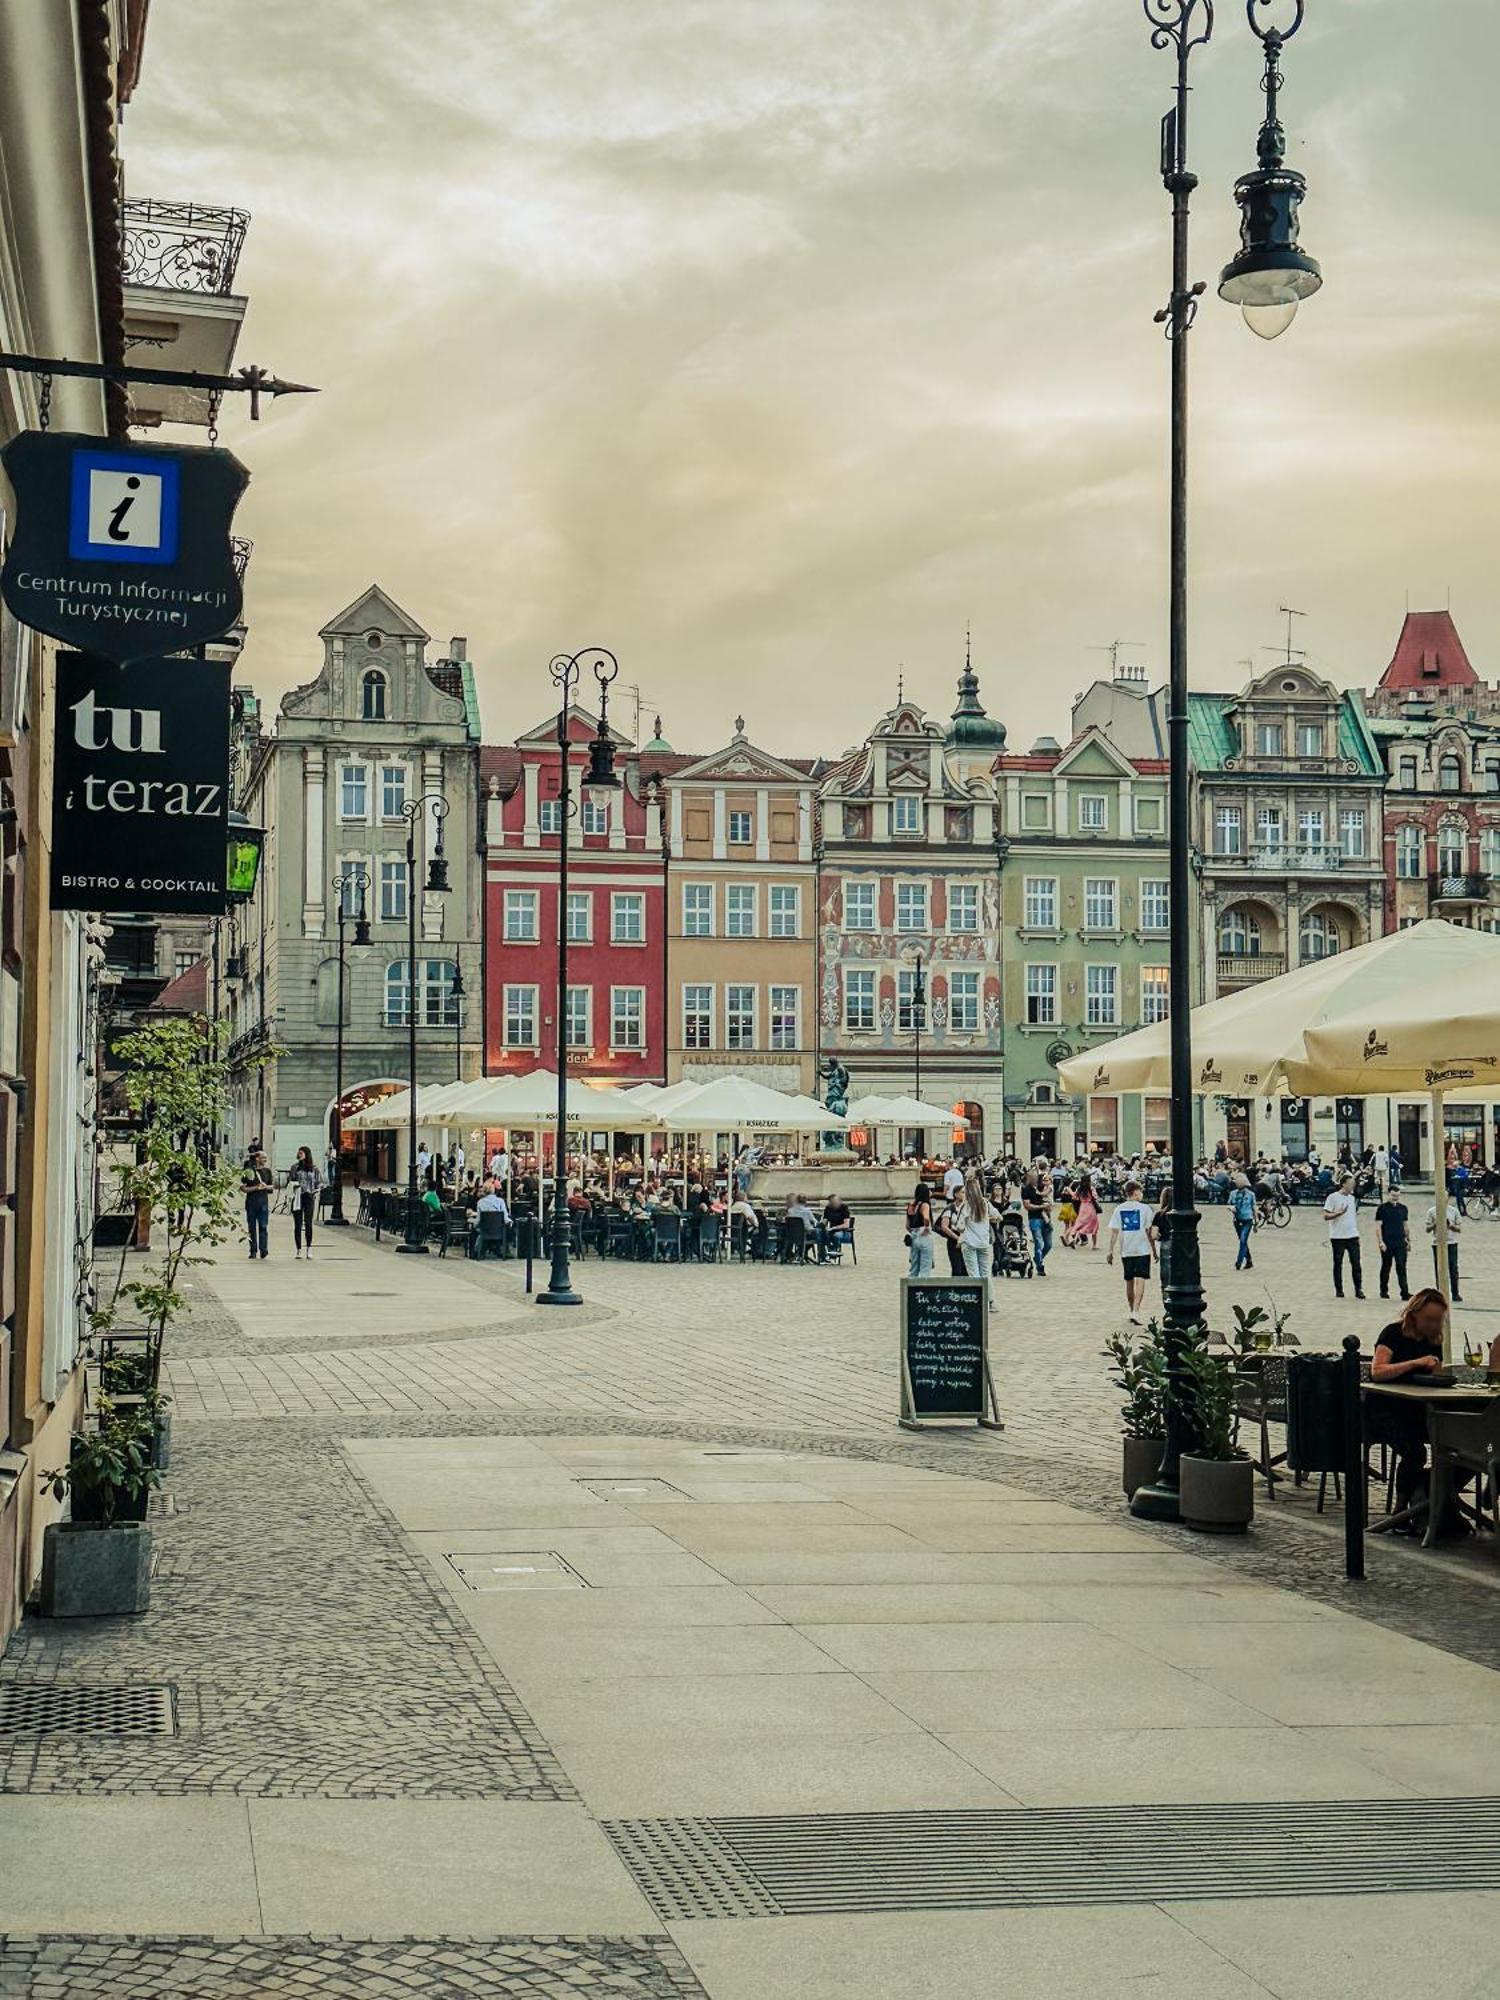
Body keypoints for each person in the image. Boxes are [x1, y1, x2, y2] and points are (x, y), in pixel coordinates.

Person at [1369, 1291, 1453, 1533]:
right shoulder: (1393, 1333)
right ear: (1414, 1314)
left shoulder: (1434, 1339)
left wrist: (1437, 1372)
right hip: (1385, 1409)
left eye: (1438, 1320)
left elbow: (1433, 1377)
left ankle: (1430, 1500)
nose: (1434, 1325)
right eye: (1429, 1319)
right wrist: (1415, 1363)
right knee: (1415, 1452)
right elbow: (1378, 1371)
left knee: (1452, 1446)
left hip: (1418, 1409)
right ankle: (1402, 1508)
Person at [1106, 1180, 1155, 1325]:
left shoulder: (1119, 1209)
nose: (1142, 1194)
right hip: (1142, 1249)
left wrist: (1110, 1250)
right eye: (1140, 1191)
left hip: (1126, 1249)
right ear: (1135, 1192)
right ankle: (1136, 1310)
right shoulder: (1146, 1209)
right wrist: (1154, 1250)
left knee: (1129, 1280)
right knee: (1140, 1279)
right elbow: (1148, 1231)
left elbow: (1115, 1231)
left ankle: (1131, 1309)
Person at [958, 1172, 1000, 1304]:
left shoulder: (966, 1205)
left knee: (973, 1273)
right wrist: (988, 1219)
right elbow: (998, 1216)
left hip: (969, 1242)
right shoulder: (985, 1203)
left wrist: (964, 1226)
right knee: (986, 1273)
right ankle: (990, 1300)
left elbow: (959, 1226)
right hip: (984, 1242)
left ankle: (978, 1301)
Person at [1322, 1173, 1364, 1300]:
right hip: (1338, 1236)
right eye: (1350, 1184)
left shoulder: (1352, 1198)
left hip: (1352, 1235)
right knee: (1338, 1263)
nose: (1352, 1186)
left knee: (1356, 1263)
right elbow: (1325, 1216)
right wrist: (1338, 1213)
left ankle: (1359, 1289)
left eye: (1354, 1184)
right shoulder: (1333, 1197)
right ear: (1344, 1184)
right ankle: (1339, 1289)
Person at [1374, 1186, 1411, 1301]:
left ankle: (1404, 1292)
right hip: (1387, 1241)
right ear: (1388, 1194)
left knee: (1401, 1266)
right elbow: (1378, 1226)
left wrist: (1408, 1240)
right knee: (1386, 1266)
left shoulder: (1403, 1208)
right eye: (1393, 1196)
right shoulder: (1382, 1208)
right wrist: (1381, 1242)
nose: (1395, 1198)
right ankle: (1383, 1290)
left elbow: (1405, 1225)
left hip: (1400, 1241)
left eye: (1397, 1196)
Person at [1425, 1191, 1463, 1301]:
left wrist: (1450, 1225)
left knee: (1453, 1268)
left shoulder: (1453, 1211)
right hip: (1437, 1243)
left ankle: (1455, 1293)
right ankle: (1440, 1293)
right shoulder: (1432, 1211)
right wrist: (1435, 1224)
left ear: (1448, 1198)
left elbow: (1459, 1229)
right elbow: (1427, 1229)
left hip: (1451, 1242)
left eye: (1444, 1197)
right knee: (1439, 1269)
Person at [288, 1146, 322, 1259]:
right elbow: (290, 1181)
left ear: (307, 1154)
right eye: (299, 1152)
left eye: (301, 1152)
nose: (299, 1154)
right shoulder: (295, 1167)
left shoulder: (314, 1168)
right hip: (297, 1196)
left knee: (308, 1223)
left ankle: (309, 1247)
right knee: (297, 1224)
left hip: (309, 1196)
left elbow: (319, 1182)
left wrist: (316, 1190)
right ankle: (298, 1249)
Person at [240, 1150, 273, 1259]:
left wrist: (265, 1187)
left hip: (263, 1202)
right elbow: (243, 1188)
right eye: (263, 1158)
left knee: (263, 1226)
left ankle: (264, 1250)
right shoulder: (249, 1172)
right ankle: (253, 1250)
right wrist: (256, 1188)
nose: (265, 1160)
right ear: (257, 1158)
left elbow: (272, 1187)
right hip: (251, 1202)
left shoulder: (267, 1171)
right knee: (252, 1228)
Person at [1021, 1172, 1053, 1278]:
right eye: (1033, 1176)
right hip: (1034, 1218)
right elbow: (1027, 1205)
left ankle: (1038, 1258)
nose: (1035, 1178)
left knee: (1048, 1245)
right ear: (1029, 1178)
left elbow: (1049, 1201)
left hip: (1046, 1218)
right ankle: (1040, 1265)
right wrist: (1041, 1207)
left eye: (1036, 1176)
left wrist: (1048, 1207)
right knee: (1038, 1242)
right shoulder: (1026, 1189)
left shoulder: (1042, 1187)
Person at [905, 1181, 935, 1277]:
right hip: (924, 1235)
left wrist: (914, 1232)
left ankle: (911, 1289)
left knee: (914, 1267)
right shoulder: (925, 1204)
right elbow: (926, 1217)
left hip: (914, 1235)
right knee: (925, 1267)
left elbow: (907, 1226)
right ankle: (923, 1289)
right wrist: (926, 1227)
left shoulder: (911, 1206)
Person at [1228, 1172, 1256, 1271]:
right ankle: (1249, 1260)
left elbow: (1253, 1208)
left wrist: (1255, 1222)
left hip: (1248, 1219)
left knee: (1243, 1240)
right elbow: (1229, 1204)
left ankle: (1239, 1261)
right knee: (1242, 1241)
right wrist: (1231, 1208)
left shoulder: (1251, 1194)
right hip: (1238, 1219)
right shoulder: (1233, 1194)